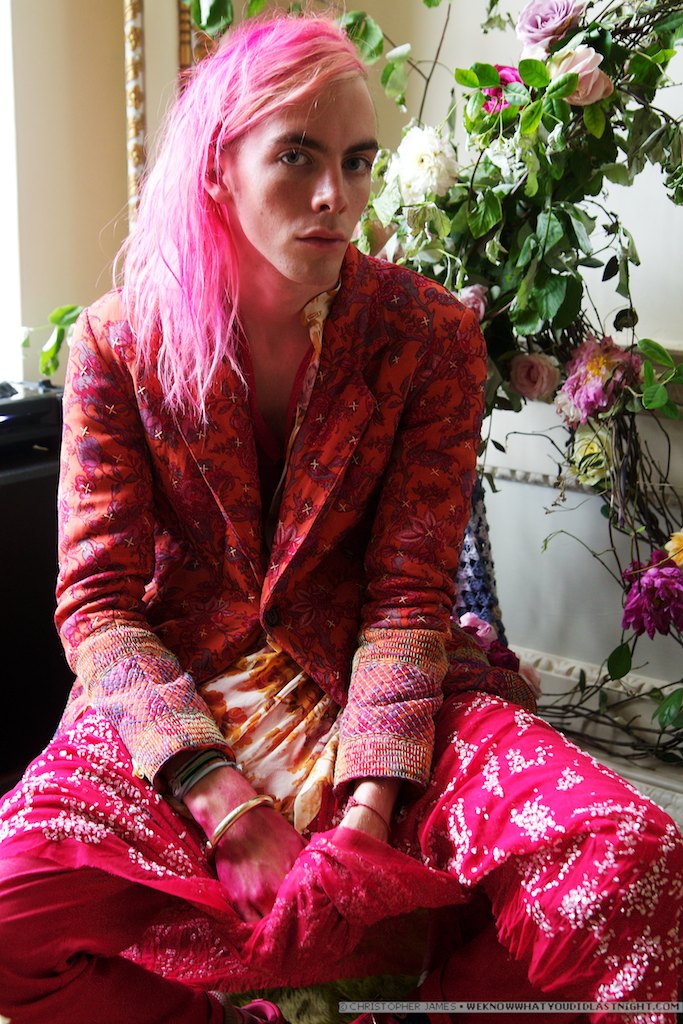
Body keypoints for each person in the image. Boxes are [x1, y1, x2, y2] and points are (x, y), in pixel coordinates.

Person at [0, 13, 681, 1024]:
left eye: (357, 161)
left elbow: (409, 592)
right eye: (297, 157)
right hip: (182, 696)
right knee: (9, 912)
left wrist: (369, 808)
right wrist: (221, 799)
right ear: (218, 167)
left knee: (633, 859)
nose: (337, 196)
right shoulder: (120, 342)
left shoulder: (427, 335)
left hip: (373, 681)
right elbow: (98, 602)